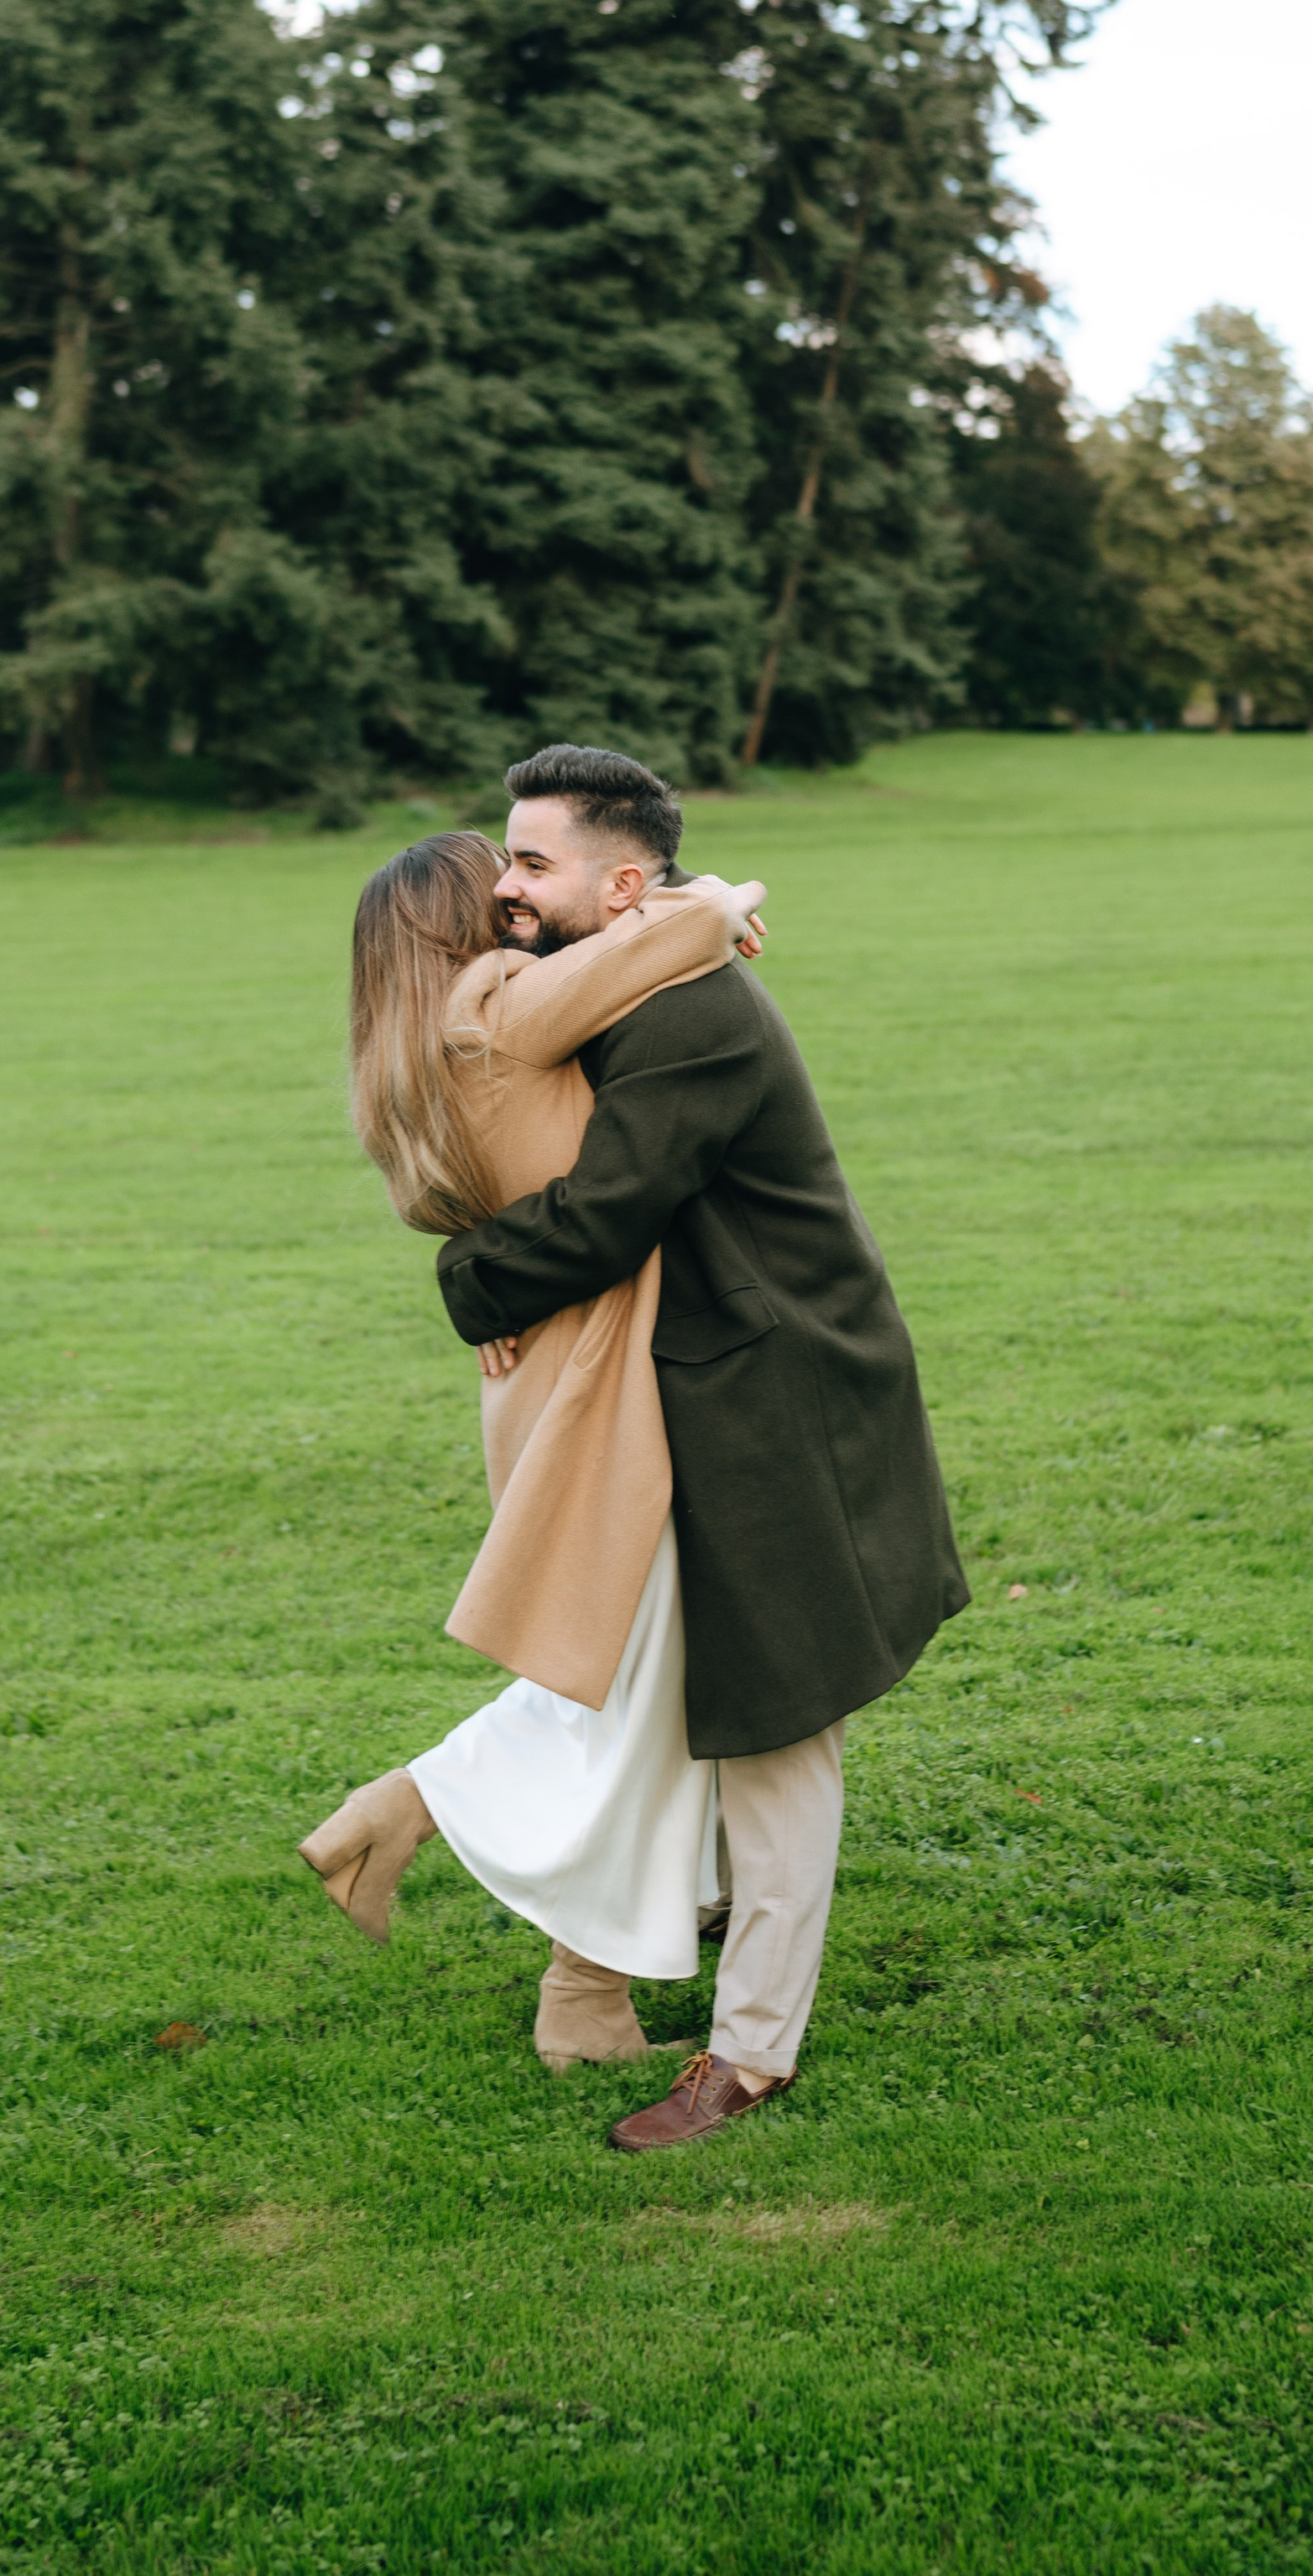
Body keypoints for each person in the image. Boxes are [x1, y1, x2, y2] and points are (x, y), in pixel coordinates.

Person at [430, 746, 968, 2153]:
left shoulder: (693, 1014)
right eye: (505, 854)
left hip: (782, 1385)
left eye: (533, 861)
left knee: (781, 1723)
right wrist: (710, 899)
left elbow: (608, 1210)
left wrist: (470, 1283)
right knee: (704, 1692)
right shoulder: (637, 973)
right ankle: (689, 1924)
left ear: (623, 882)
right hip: (705, 1381)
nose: (504, 884)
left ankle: (752, 2052)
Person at [300, 825, 769, 2078]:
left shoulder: (411, 1057)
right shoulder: (496, 1004)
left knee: (626, 1665)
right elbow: (681, 929)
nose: (524, 895)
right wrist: (719, 895)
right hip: (606, 1380)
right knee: (642, 1679)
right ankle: (578, 1980)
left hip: (554, 1368)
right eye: (502, 885)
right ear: (471, 924)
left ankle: (423, 1824)